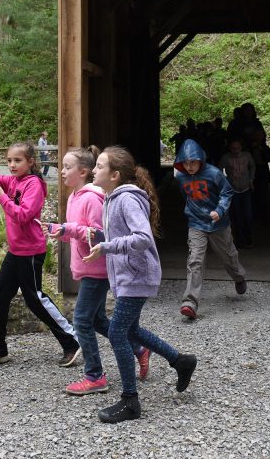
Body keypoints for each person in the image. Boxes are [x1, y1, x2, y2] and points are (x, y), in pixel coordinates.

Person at [84, 145, 198, 423]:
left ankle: (130, 401)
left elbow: (143, 238)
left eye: (99, 166)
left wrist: (108, 246)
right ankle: (181, 361)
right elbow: (120, 235)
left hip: (137, 276)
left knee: (117, 333)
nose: (94, 170)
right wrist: (96, 237)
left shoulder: (127, 199)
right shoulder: (111, 198)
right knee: (131, 330)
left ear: (115, 175)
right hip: (128, 276)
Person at [46, 146, 151, 395]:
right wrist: (62, 232)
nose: (62, 171)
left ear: (82, 172)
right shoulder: (74, 197)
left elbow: (101, 235)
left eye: (67, 167)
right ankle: (138, 348)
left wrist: (70, 229)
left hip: (98, 268)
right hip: (88, 267)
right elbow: (79, 233)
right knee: (97, 320)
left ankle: (94, 375)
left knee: (81, 320)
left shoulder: (92, 198)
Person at [0, 142, 79, 366]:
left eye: (17, 160)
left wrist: (2, 197)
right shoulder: (13, 181)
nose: (12, 165)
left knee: (35, 299)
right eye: (9, 160)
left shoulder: (34, 184)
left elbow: (23, 215)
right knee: (0, 295)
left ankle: (72, 341)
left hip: (30, 252)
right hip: (15, 251)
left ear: (31, 162)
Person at [173, 139, 246, 320]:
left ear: (201, 159)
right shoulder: (181, 177)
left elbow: (227, 192)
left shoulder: (214, 173)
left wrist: (220, 210)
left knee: (228, 255)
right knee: (195, 260)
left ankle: (238, 277)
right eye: (185, 163)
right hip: (196, 223)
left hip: (218, 224)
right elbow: (185, 196)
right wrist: (192, 211)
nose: (189, 167)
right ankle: (190, 302)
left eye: (193, 162)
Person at [219, 137, 256, 248]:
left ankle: (248, 238)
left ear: (241, 147)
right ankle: (239, 240)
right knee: (237, 216)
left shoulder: (247, 156)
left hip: (246, 189)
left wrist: (251, 179)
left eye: (238, 148)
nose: (236, 150)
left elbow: (252, 166)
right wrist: (224, 183)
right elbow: (219, 170)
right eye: (233, 148)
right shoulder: (226, 157)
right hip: (233, 190)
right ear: (230, 148)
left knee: (248, 215)